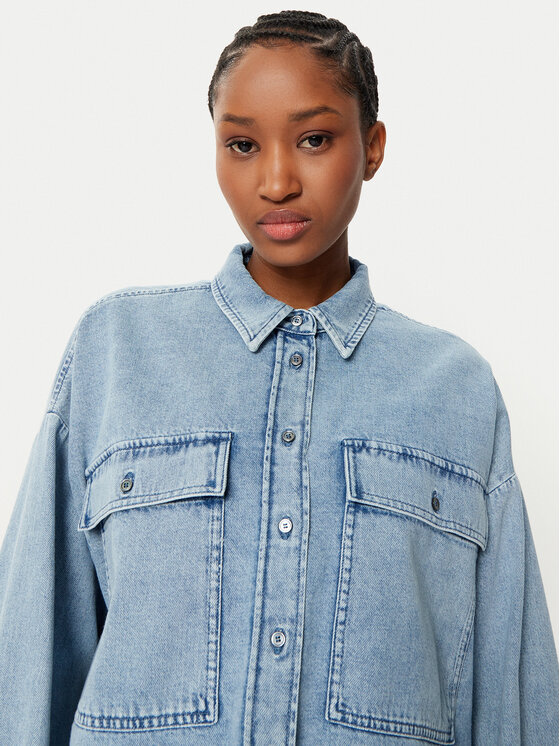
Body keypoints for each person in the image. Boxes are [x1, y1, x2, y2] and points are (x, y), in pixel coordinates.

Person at [0, 9, 557, 745]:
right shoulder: (116, 351)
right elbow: (30, 658)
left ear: (372, 147)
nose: (276, 181)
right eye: (242, 144)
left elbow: (510, 694)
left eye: (314, 139)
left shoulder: (457, 390)